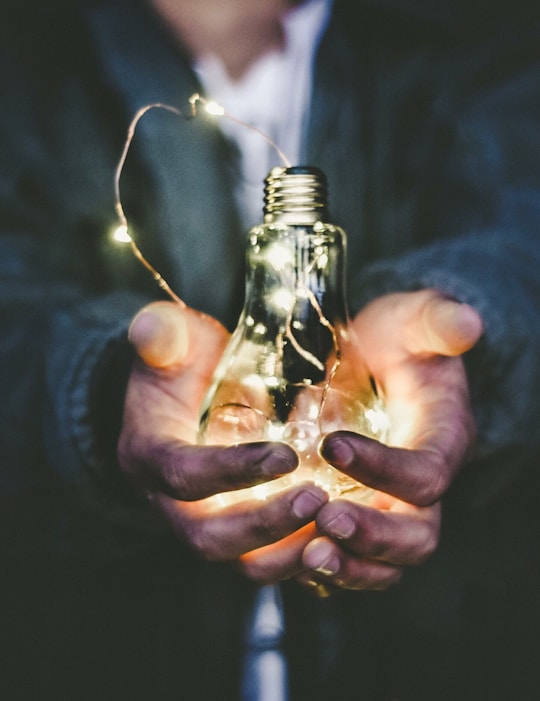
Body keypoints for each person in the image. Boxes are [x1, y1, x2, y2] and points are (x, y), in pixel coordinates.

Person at [1, 0, 540, 699]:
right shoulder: (31, 60)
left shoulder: (479, 37)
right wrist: (103, 394)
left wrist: (465, 326)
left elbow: (523, 225)